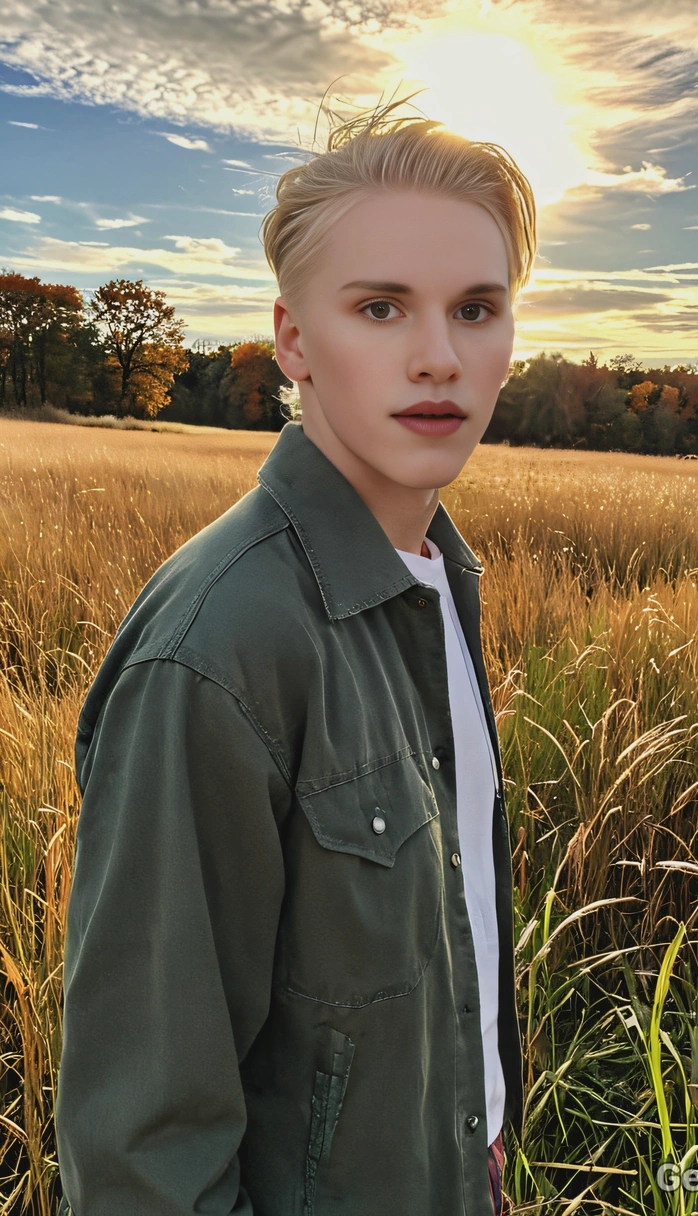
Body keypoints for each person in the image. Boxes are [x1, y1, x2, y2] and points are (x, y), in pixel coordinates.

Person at [55, 95, 538, 1216]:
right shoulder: (217, 651)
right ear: (292, 339)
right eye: (380, 307)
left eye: (476, 308)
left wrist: (475, 1134)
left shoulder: (435, 581)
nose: (437, 357)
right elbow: (142, 1154)